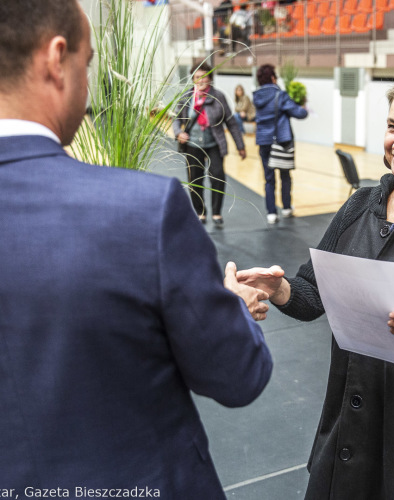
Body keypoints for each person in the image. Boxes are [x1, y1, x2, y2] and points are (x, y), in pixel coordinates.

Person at [0, 0, 272, 494]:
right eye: (87, 65)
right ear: (56, 60)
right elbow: (239, 376)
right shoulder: (141, 211)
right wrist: (231, 304)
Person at [234, 67, 394, 498]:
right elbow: (311, 295)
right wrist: (276, 288)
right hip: (351, 436)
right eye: (393, 126)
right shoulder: (361, 206)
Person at [173, 61, 246, 228]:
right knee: (195, 181)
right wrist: (178, 133)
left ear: (210, 78)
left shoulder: (218, 96)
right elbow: (176, 118)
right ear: (193, 79)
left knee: (218, 178)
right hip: (192, 144)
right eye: (197, 77)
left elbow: (231, 123)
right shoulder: (187, 96)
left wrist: (240, 145)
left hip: (214, 144)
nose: (200, 80)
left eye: (204, 76)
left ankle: (216, 212)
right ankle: (200, 212)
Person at [253, 64, 308, 224]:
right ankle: (286, 208)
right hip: (281, 140)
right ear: (273, 78)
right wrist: (303, 105)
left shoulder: (257, 97)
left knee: (268, 179)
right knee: (285, 176)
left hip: (264, 141)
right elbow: (300, 113)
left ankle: (271, 213)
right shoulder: (280, 95)